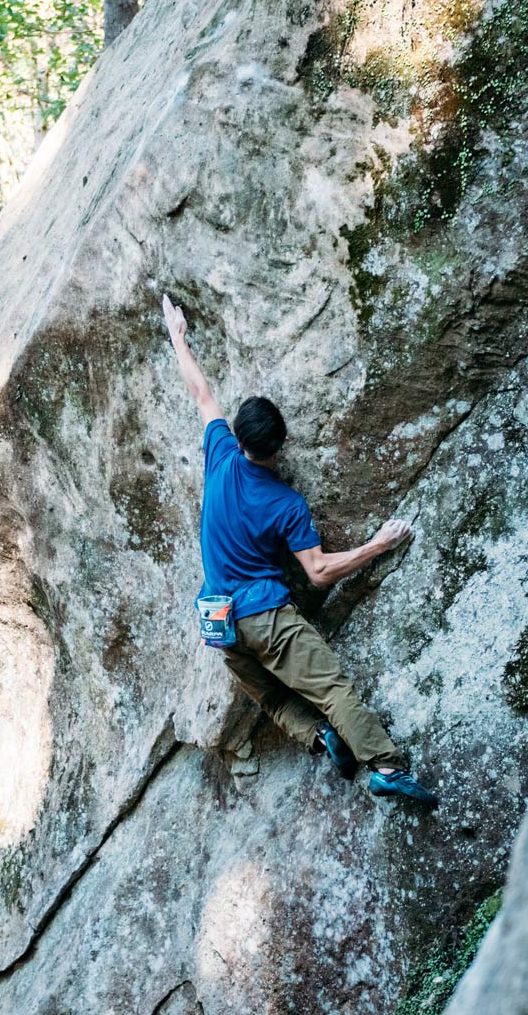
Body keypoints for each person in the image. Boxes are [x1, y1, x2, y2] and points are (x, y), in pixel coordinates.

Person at [161, 293, 439, 806]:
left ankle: (320, 737)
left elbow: (200, 392)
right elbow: (318, 571)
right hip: (265, 615)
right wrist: (376, 545)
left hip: (218, 622)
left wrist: (177, 334)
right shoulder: (287, 504)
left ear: (240, 437)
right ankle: (387, 766)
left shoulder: (220, 455)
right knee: (332, 688)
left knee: (269, 696)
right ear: (278, 447)